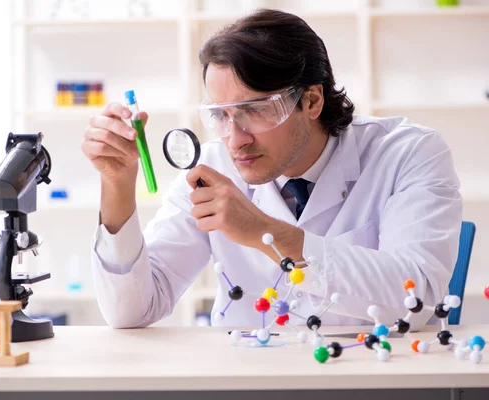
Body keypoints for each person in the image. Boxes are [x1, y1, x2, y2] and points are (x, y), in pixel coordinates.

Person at [81, 9, 462, 330]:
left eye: (255, 110)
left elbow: (418, 300)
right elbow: (130, 311)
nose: (235, 140)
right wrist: (116, 184)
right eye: (221, 115)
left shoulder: (409, 152)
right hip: (245, 381)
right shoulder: (211, 168)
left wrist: (265, 231)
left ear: (311, 100)